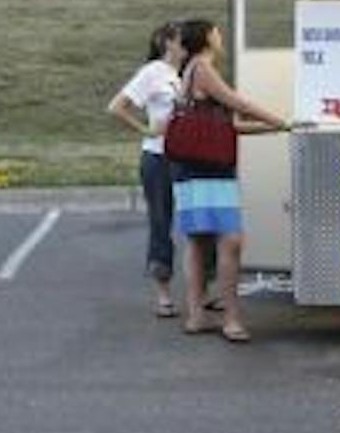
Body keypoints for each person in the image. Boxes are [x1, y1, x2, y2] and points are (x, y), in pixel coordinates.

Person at [168, 18, 290, 343]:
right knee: (230, 240)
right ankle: (231, 318)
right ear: (207, 38)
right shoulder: (203, 68)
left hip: (190, 166)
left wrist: (276, 129)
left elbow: (228, 124)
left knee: (198, 240)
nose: (220, 36)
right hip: (210, 169)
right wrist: (281, 120)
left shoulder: (191, 68)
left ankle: (197, 314)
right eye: (217, 32)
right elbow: (241, 106)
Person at [108, 22, 185, 319]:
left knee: (196, 221)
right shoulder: (153, 72)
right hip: (159, 159)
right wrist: (147, 130)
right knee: (161, 222)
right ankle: (164, 293)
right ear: (167, 43)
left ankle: (204, 289)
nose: (186, 45)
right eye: (181, 40)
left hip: (186, 157)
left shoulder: (183, 73)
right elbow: (117, 107)